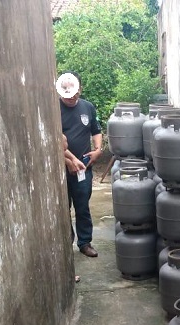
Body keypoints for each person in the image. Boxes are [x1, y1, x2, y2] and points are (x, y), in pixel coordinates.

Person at [57, 71, 103, 257]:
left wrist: (98, 149)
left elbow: (96, 130)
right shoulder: (53, 109)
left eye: (74, 91)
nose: (71, 96)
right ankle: (66, 243)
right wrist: (69, 159)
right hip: (60, 168)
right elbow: (55, 139)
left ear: (80, 89)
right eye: (66, 92)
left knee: (82, 206)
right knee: (62, 208)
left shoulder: (88, 107)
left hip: (84, 167)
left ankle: (85, 242)